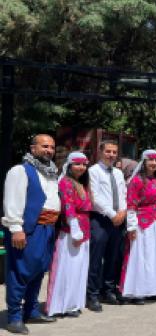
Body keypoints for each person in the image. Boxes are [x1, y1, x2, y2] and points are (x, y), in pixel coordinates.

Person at [2, 134, 60, 334]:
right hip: (29, 229)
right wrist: (16, 229)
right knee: (20, 271)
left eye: (52, 147)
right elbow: (12, 201)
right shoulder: (20, 171)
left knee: (39, 270)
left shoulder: (51, 173)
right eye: (44, 146)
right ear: (32, 148)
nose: (49, 150)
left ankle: (31, 310)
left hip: (48, 228)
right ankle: (14, 317)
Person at [45, 152, 92, 318]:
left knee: (77, 269)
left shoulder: (82, 183)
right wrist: (75, 229)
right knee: (65, 268)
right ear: (69, 165)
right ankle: (57, 305)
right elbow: (68, 206)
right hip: (71, 231)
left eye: (84, 164)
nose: (81, 167)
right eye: (77, 164)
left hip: (84, 229)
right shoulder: (65, 182)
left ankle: (72, 304)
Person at [120, 150, 156, 305]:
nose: (154, 164)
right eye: (150, 160)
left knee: (155, 256)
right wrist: (132, 227)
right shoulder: (137, 181)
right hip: (141, 223)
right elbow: (131, 205)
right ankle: (137, 291)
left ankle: (153, 289)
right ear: (144, 162)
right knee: (140, 256)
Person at [87, 140, 127, 312]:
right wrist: (112, 214)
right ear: (100, 151)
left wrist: (123, 212)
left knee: (113, 257)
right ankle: (92, 294)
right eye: (108, 151)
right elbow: (94, 197)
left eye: (114, 152)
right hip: (101, 219)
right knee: (96, 258)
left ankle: (108, 290)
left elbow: (124, 193)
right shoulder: (93, 171)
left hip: (118, 219)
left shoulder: (118, 173)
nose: (111, 155)